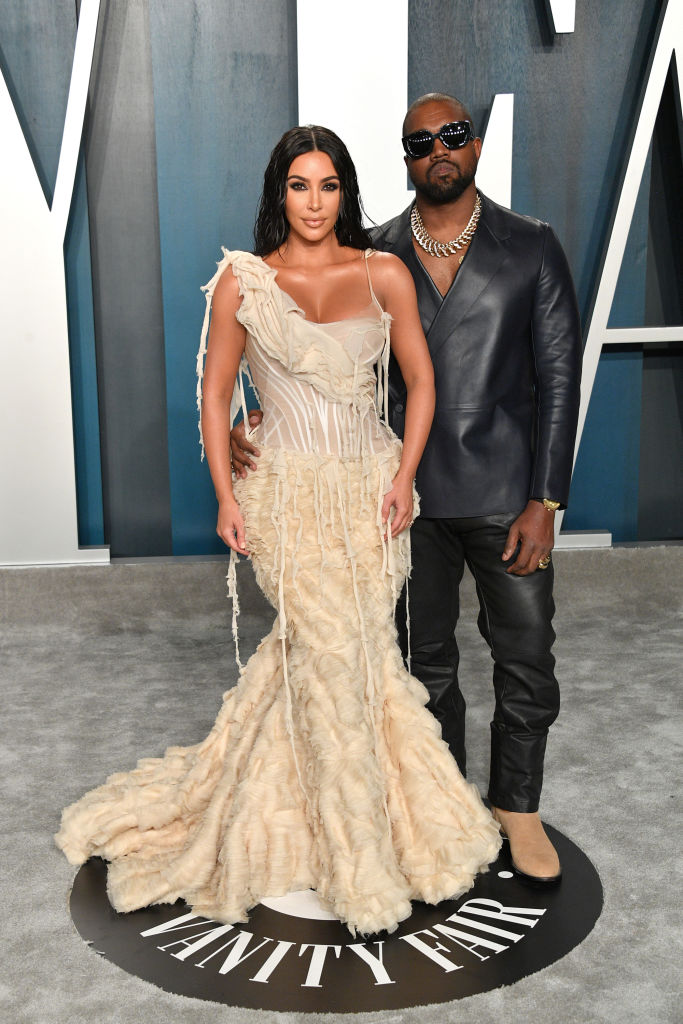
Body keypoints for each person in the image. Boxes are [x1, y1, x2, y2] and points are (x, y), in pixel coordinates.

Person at [56, 125, 501, 937]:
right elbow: (215, 392)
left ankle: (303, 815)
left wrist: (403, 477)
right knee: (329, 650)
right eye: (299, 186)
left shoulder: (383, 272)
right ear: (278, 194)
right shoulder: (243, 282)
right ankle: (358, 860)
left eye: (328, 186)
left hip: (370, 491)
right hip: (286, 495)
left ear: (345, 194)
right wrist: (227, 497)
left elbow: (422, 381)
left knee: (355, 655)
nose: (314, 202)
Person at [232, 97, 582, 886]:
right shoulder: (373, 250)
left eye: (451, 136)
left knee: (525, 657)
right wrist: (248, 418)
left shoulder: (529, 246)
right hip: (396, 496)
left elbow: (559, 379)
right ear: (405, 157)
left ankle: (516, 809)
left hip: (504, 495)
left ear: (476, 144)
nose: (438, 150)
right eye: (420, 142)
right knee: (423, 666)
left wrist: (547, 499)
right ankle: (444, 802)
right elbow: (322, 360)